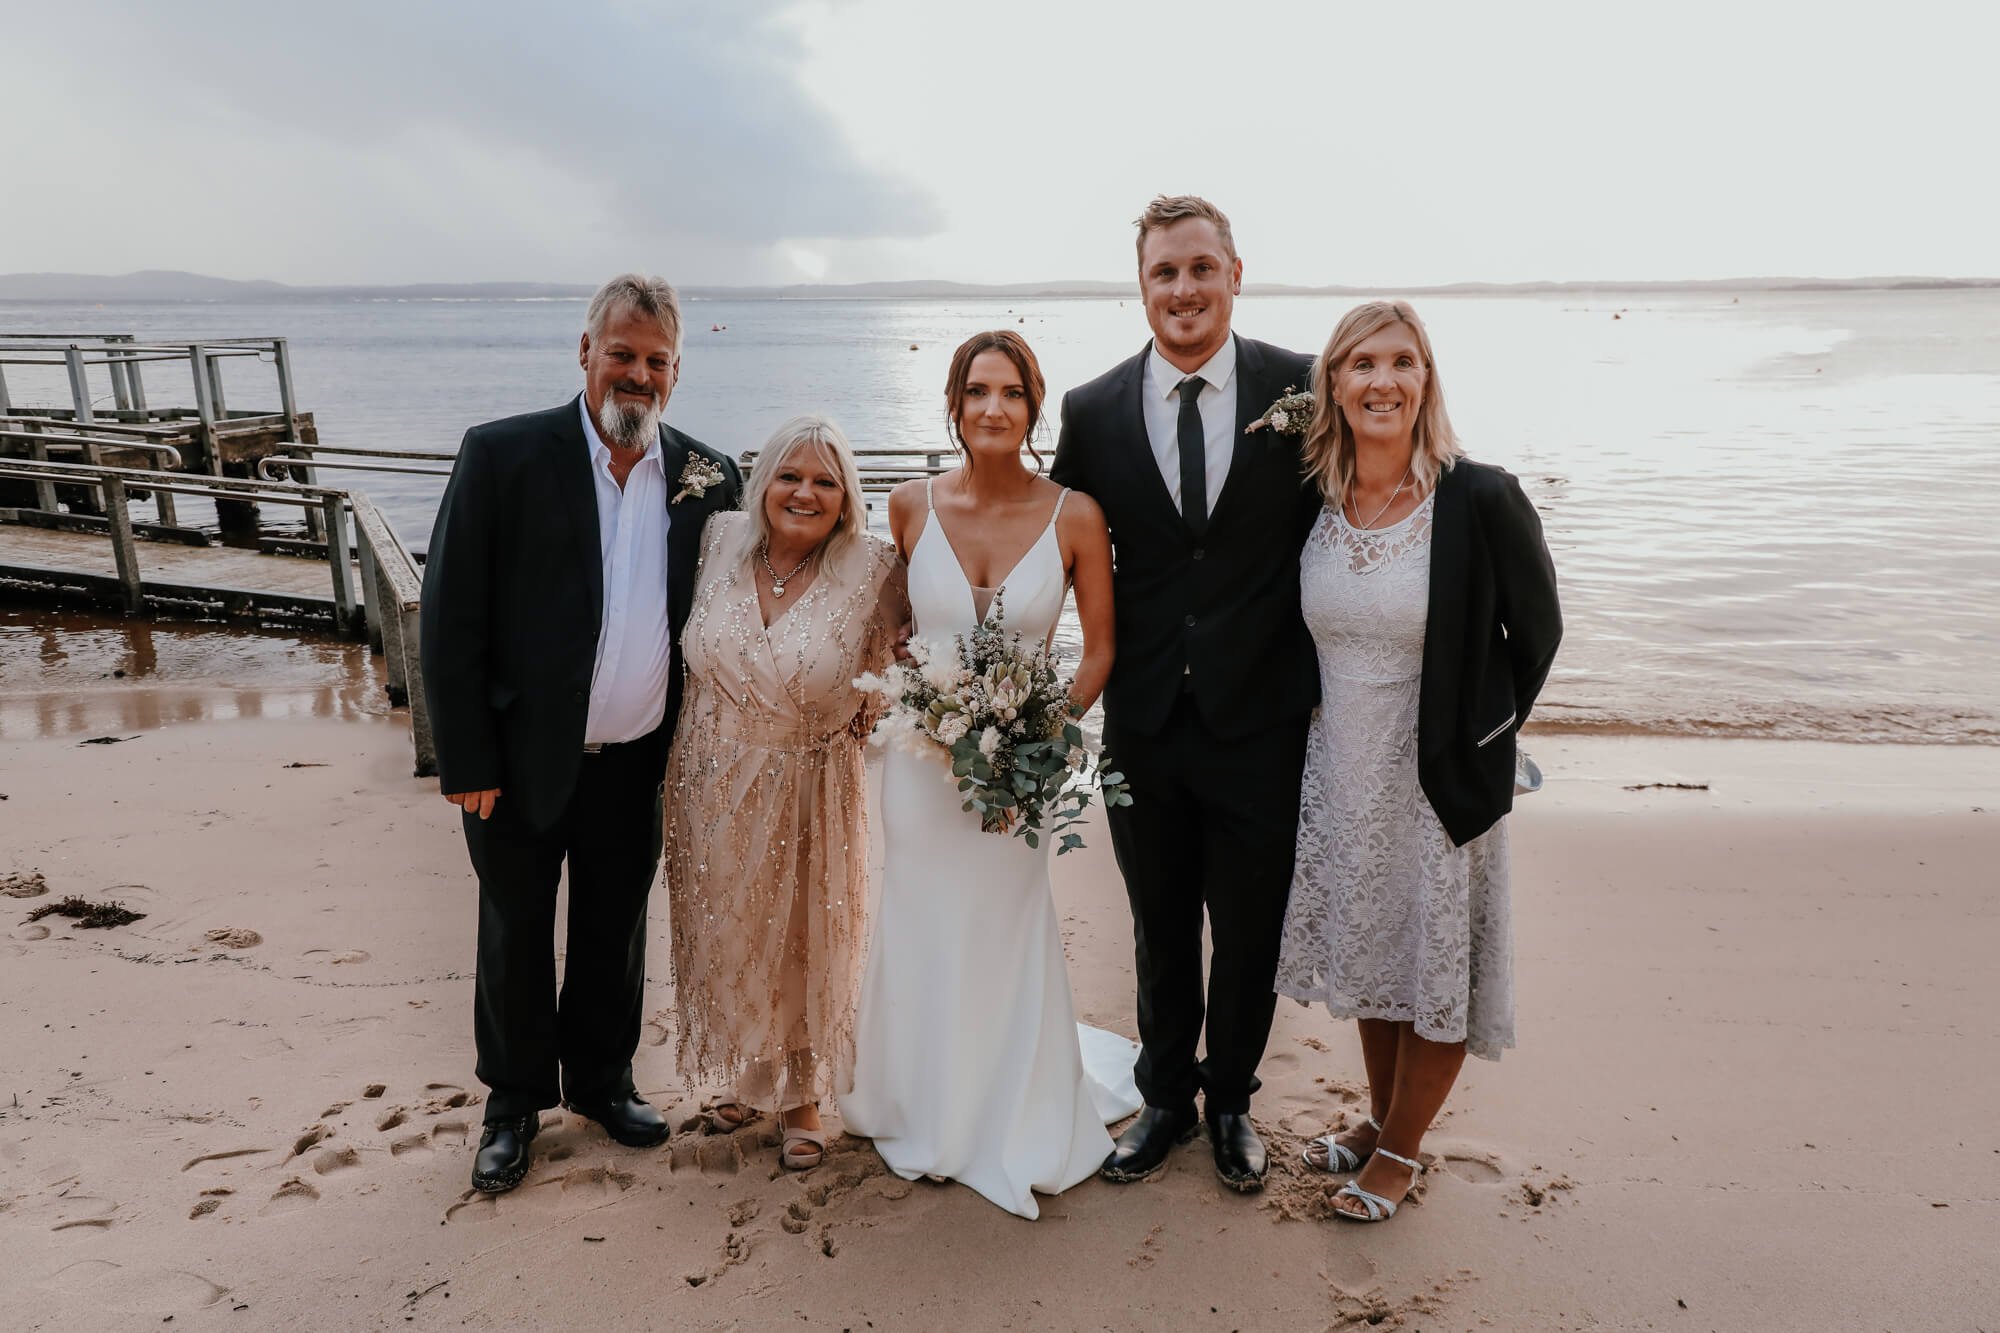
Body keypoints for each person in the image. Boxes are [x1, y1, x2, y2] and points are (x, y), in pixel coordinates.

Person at [419, 273, 742, 1194]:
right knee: (516, 927)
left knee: (615, 926)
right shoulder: (503, 454)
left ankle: (602, 1082)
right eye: (623, 354)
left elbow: (742, 604)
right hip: (516, 761)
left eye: (657, 361)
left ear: (677, 372)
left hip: (640, 758)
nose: (637, 374)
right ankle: (513, 1103)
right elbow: (451, 618)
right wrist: (465, 759)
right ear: (586, 353)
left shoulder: (710, 476)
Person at [1050, 196, 1319, 1192]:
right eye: (1164, 273)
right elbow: (1061, 551)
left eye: (1200, 268)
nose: (1183, 290)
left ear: (1234, 274)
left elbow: (1364, 508)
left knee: (1248, 928)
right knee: (1159, 923)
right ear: (1142, 287)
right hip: (1146, 720)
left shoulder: (1305, 386)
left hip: (1263, 717)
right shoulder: (1089, 409)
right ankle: (1164, 1097)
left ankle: (1232, 1101)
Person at [839, 330, 1140, 1219]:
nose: (994, 407)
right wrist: (911, 693)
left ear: (1032, 409)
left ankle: (1006, 1107)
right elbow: (890, 623)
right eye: (978, 392)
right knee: (922, 916)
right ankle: (916, 1096)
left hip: (1022, 770)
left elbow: (1101, 650)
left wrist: (1042, 736)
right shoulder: (906, 507)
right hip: (920, 774)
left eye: (1011, 392)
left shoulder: (1076, 514)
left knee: (1005, 922)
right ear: (955, 405)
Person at [1278, 300, 1560, 1223]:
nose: (1382, 380)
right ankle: (1379, 1120)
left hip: (1435, 777)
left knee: (1433, 964)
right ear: (1334, 383)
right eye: (1362, 363)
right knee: (1372, 954)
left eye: (1403, 362)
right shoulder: (1316, 502)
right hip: (1341, 770)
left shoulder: (1477, 496)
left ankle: (1400, 1151)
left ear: (1426, 380)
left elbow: (1539, 629)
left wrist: (1488, 736)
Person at [663, 415, 903, 1171]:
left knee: (803, 933)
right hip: (709, 776)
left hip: (809, 784)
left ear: (847, 498)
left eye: (825, 481)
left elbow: (901, 668)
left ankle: (801, 1092)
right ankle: (749, 1070)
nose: (804, 492)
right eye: (790, 475)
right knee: (732, 927)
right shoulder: (717, 542)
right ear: (762, 478)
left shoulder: (873, 566)